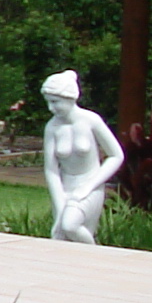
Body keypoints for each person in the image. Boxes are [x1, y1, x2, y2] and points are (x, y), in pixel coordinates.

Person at [40, 68, 124, 244]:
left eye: (55, 102)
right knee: (60, 235)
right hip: (65, 187)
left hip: (89, 185)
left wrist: (89, 186)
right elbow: (51, 170)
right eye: (48, 102)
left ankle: (95, 255)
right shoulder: (52, 127)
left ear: (70, 98)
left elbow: (116, 155)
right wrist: (60, 201)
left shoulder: (91, 120)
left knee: (70, 225)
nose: (51, 108)